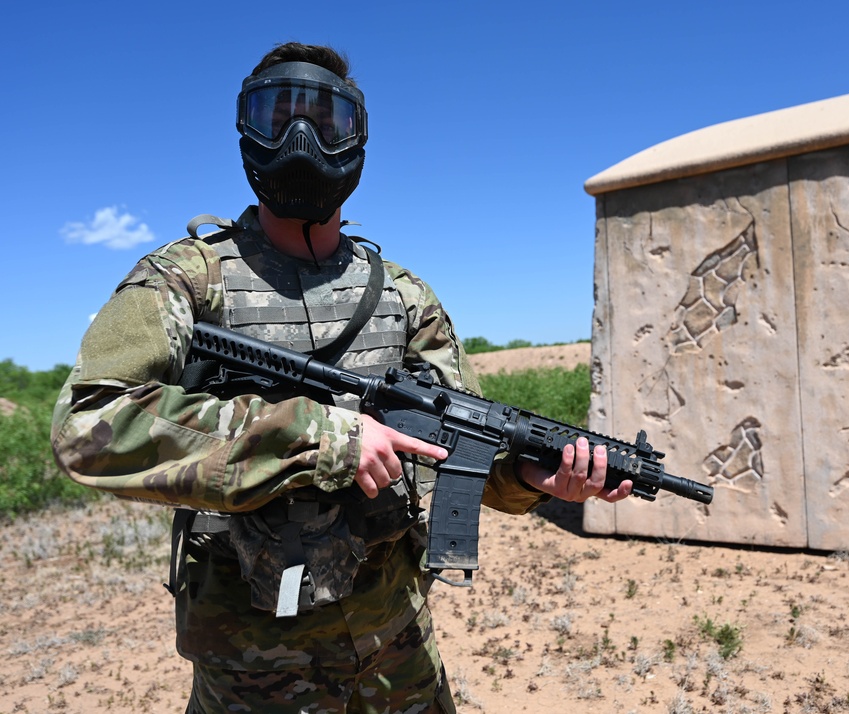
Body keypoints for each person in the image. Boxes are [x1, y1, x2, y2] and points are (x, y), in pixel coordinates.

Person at [51, 41, 632, 714]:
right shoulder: (188, 280)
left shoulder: (405, 297)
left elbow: (466, 455)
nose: (301, 140)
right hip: (252, 671)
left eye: (325, 122)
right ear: (248, 131)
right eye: (278, 117)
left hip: (398, 655)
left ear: (357, 136)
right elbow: (88, 427)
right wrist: (321, 438)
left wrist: (533, 480)